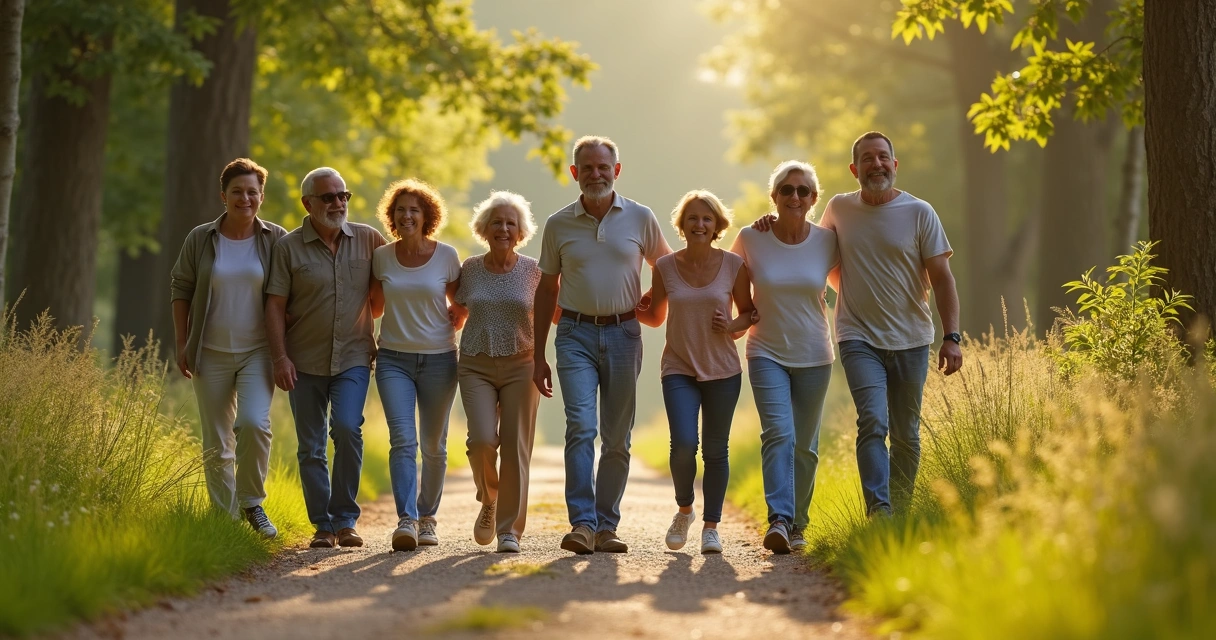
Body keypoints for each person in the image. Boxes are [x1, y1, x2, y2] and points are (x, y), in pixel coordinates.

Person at [533, 135, 672, 555]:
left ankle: (607, 526)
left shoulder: (641, 217)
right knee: (581, 426)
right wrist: (538, 354)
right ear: (575, 173)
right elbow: (546, 289)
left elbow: (667, 266)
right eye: (588, 168)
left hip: (624, 334)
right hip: (573, 335)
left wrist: (654, 305)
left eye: (603, 167)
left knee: (616, 438)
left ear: (617, 170)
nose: (596, 174)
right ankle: (582, 524)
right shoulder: (558, 224)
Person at [824, 132, 962, 517]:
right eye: (867, 158)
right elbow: (813, 250)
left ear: (895, 164)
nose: (877, 164)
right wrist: (770, 225)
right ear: (854, 169)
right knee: (872, 421)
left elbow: (943, 278)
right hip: (857, 337)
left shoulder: (920, 212)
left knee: (906, 434)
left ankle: (900, 512)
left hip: (912, 340)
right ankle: (879, 512)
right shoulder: (838, 209)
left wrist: (952, 337)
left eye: (883, 157)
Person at [265, 167, 386, 549]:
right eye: (329, 197)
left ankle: (346, 519)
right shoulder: (287, 247)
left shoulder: (369, 239)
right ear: (308, 203)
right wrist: (279, 357)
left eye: (343, 195)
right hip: (303, 360)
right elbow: (274, 305)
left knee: (348, 429)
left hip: (353, 356)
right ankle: (323, 525)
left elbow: (392, 285)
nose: (338, 203)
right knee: (311, 446)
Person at [170, 158, 287, 539]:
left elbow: (292, 292)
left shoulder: (276, 239)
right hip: (210, 351)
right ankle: (225, 519)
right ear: (223, 196)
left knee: (253, 424)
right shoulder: (201, 238)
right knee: (217, 441)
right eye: (237, 191)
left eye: (252, 191)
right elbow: (181, 288)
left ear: (262, 196)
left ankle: (252, 504)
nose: (245, 198)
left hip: (258, 351)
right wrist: (183, 342)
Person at [636, 190, 753, 555]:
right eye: (692, 218)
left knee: (716, 450)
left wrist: (731, 326)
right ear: (682, 225)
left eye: (706, 218)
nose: (699, 224)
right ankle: (684, 510)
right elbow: (654, 316)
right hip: (679, 367)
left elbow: (749, 313)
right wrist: (627, 305)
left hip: (723, 369)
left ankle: (711, 528)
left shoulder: (734, 265)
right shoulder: (665, 266)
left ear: (717, 225)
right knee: (684, 444)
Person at [732, 160, 838, 554]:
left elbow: (861, 273)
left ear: (813, 199)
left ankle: (798, 524)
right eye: (787, 190)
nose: (795, 196)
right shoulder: (751, 237)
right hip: (766, 351)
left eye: (802, 190)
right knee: (778, 432)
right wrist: (732, 323)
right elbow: (726, 278)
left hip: (815, 354)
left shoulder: (829, 241)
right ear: (774, 196)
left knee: (805, 446)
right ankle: (778, 518)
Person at [372, 179, 466, 552]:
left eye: (414, 209)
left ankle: (428, 518)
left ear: (427, 216)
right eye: (401, 210)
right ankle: (407, 520)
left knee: (434, 446)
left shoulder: (447, 256)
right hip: (393, 359)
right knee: (402, 440)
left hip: (440, 359)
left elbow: (461, 303)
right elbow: (373, 307)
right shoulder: (382, 257)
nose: (407, 216)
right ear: (392, 216)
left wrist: (455, 319)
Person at [455, 191, 542, 554]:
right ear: (484, 229)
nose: (503, 229)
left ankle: (509, 530)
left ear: (520, 232)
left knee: (515, 447)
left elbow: (555, 312)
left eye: (510, 223)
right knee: (480, 441)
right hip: (475, 363)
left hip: (522, 364)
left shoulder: (534, 270)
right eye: (496, 222)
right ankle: (489, 497)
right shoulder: (470, 268)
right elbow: (457, 310)